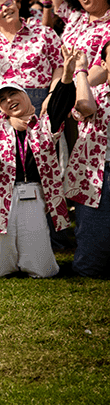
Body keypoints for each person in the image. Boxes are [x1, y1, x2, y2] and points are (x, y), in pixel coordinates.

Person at [0, 66, 76, 279]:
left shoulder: (45, 123)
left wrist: (65, 78)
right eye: (2, 99)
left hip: (34, 194)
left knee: (41, 270)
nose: (8, 100)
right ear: (0, 107)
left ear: (25, 96)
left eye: (13, 94)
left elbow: (61, 104)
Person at [64, 40, 110, 278]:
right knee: (89, 265)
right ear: (104, 64)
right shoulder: (95, 93)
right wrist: (81, 70)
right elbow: (85, 107)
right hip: (97, 175)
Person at [0, 0, 62, 115]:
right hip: (2, 104)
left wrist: (52, 95)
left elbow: (59, 66)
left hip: (42, 100)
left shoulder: (44, 33)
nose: (5, 9)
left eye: (8, 3)